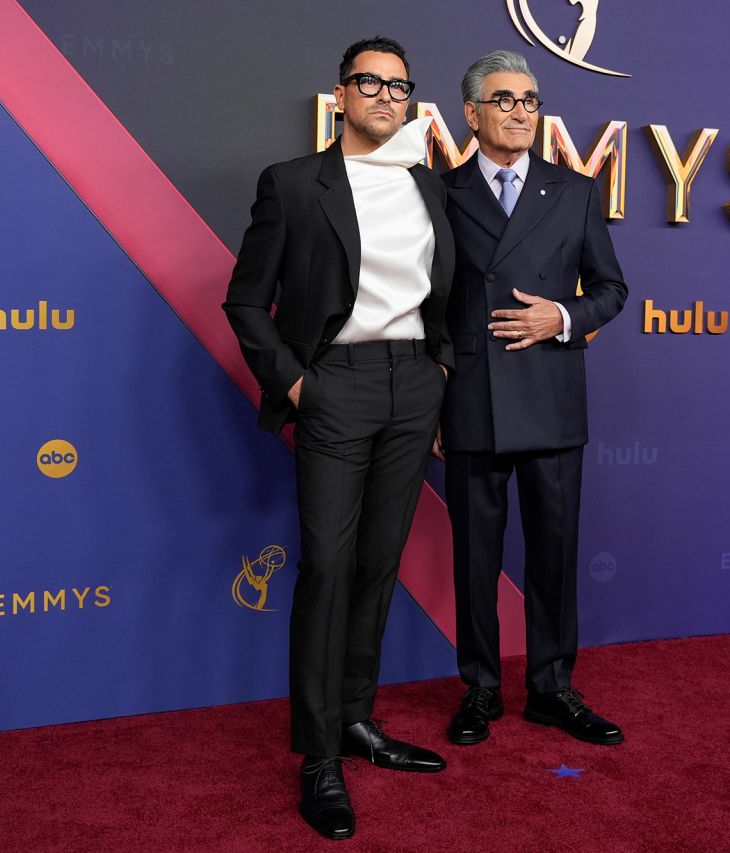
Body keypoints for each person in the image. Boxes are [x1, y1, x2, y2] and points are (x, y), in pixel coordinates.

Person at [222, 36, 454, 841]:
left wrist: (443, 374)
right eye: (371, 82)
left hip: (412, 385)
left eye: (401, 86)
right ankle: (317, 755)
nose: (388, 97)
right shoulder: (293, 184)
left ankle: (358, 720)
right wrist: (295, 382)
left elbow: (448, 295)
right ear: (341, 94)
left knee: (378, 563)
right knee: (325, 566)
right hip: (336, 385)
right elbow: (247, 302)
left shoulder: (428, 184)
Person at [439, 50, 628, 748]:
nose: (521, 111)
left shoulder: (574, 190)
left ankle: (552, 687)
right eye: (505, 99)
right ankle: (480, 687)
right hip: (472, 401)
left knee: (554, 552)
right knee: (475, 559)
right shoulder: (440, 192)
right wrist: (434, 399)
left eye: (530, 99)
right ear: (472, 112)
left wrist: (565, 316)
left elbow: (612, 288)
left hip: (550, 396)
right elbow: (429, 305)